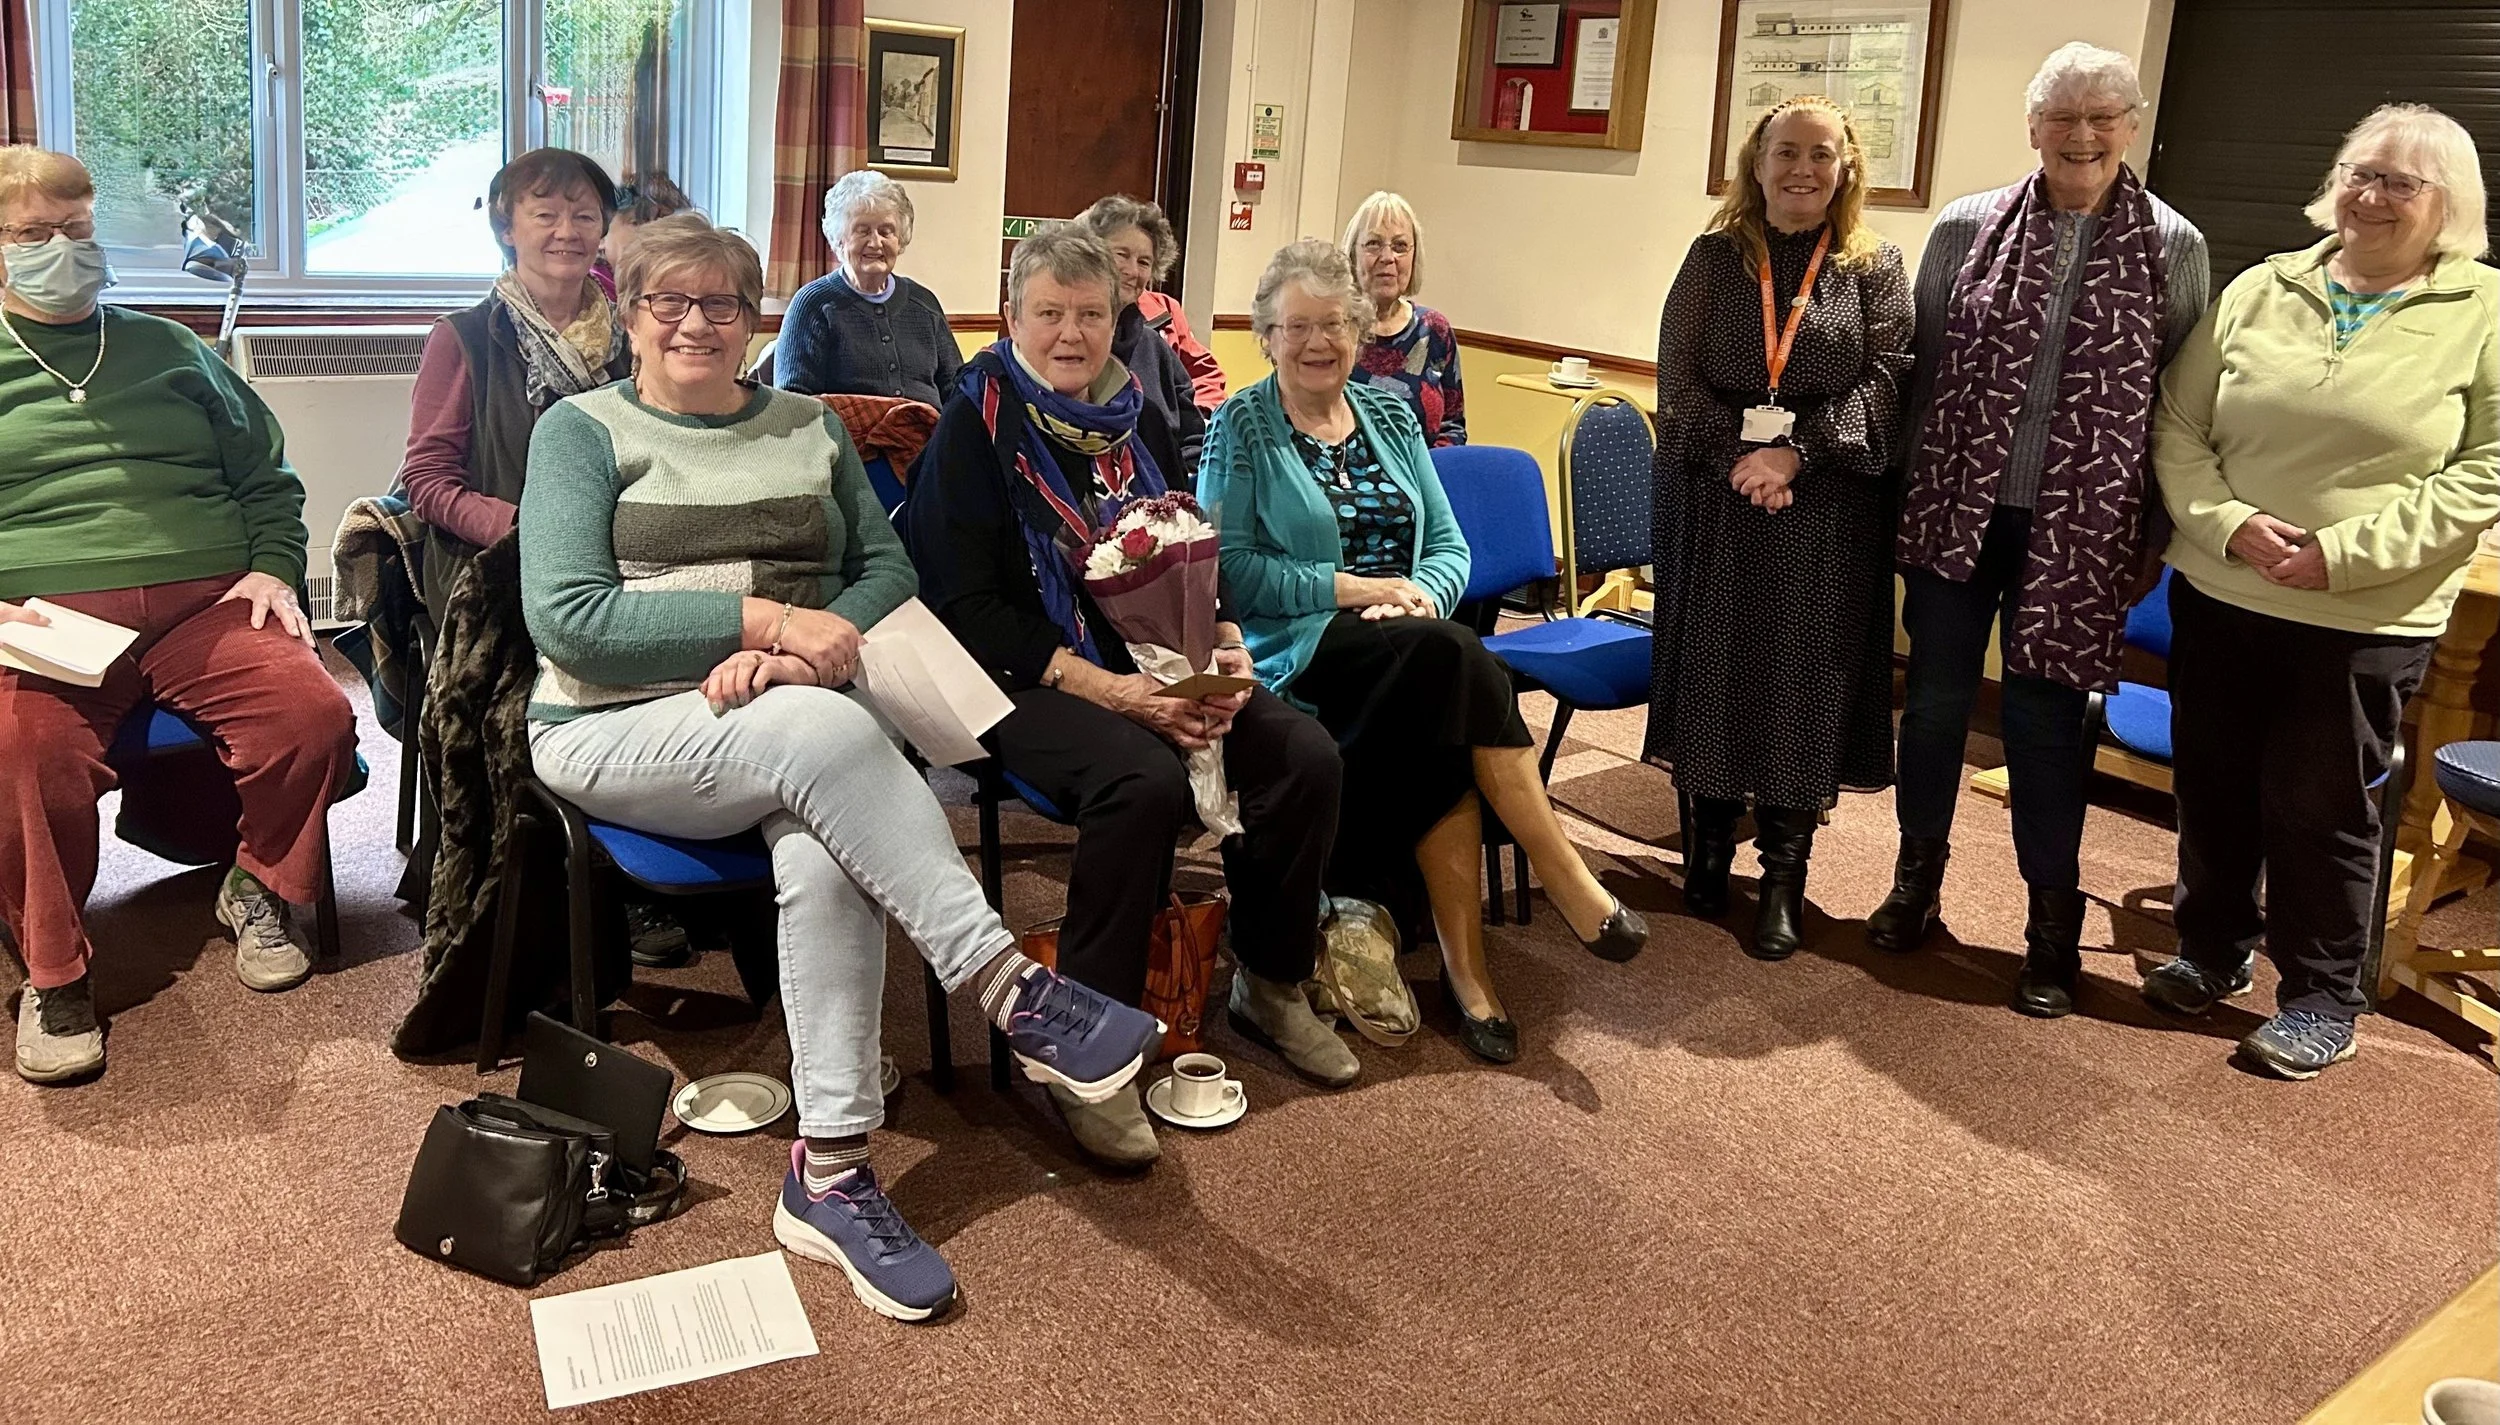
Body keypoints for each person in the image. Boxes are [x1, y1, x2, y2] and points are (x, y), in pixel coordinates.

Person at [519, 214, 1163, 1317]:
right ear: (627, 316)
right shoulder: (579, 432)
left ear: (756, 317)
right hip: (611, 727)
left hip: (793, 714)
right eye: (666, 302)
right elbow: (572, 621)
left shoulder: (808, 424)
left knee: (825, 856)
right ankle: (1012, 989)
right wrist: (767, 623)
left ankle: (830, 1172)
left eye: (721, 303)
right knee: (840, 744)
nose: (695, 324)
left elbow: (886, 568)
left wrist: (802, 655)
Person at [907, 225, 1351, 1165]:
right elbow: (968, 607)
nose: (1072, 333)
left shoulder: (1136, 414)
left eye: (1093, 313)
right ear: (1012, 318)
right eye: (1050, 314)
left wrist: (1222, 646)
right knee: (1141, 782)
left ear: (1120, 317)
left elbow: (1184, 543)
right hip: (1019, 677)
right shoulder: (975, 425)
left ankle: (1270, 981)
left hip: (1158, 660)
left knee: (1302, 755)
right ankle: (1089, 1052)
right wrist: (1115, 692)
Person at [1201, 238, 1646, 1066]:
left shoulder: (1392, 415)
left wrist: (1422, 597)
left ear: (1358, 328)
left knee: (1445, 682)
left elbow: (1448, 547)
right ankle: (1555, 884)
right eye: (1296, 326)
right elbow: (1231, 572)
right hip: (1298, 648)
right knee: (1454, 663)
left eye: (1334, 323)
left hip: (1406, 643)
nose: (1316, 342)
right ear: (1265, 335)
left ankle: (1471, 974)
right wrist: (1360, 590)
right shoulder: (1242, 425)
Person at [2145, 103, 2498, 1080]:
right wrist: (2225, 525)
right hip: (2223, 588)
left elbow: (2485, 469)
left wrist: (2340, 553)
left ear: (2447, 205)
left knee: (2321, 807)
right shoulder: (2265, 285)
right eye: (2358, 172)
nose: (2370, 196)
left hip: (2361, 612)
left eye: (2399, 182)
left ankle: (2318, 996)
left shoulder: (2483, 312)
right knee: (2211, 788)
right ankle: (2211, 950)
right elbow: (2177, 423)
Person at [0, 146, 356, 1084]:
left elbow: (266, 478)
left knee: (312, 714)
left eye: (75, 231)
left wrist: (277, 568)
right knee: (25, 754)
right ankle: (55, 970)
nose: (60, 250)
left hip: (208, 602)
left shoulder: (170, 348)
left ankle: (261, 885)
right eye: (32, 235)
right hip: (44, 620)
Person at [1881, 43, 2210, 1017]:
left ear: (2130, 125)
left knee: (2042, 722)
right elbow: (1923, 368)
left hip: (2084, 529)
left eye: (2102, 115)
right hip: (1956, 510)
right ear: (2031, 127)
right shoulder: (1963, 227)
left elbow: (2180, 401)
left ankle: (2048, 927)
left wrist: (2152, 533)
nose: (2081, 134)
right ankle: (1914, 882)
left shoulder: (2173, 246)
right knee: (1936, 707)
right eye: (2062, 116)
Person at [1645, 96, 1913, 962]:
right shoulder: (1714, 258)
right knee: (1718, 663)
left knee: (1801, 679)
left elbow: (1888, 380)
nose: (1802, 169)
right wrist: (1739, 459)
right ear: (1756, 165)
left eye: (1821, 155)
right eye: (1786, 153)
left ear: (1846, 170)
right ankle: (1709, 847)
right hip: (1719, 498)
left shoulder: (1874, 269)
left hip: (1826, 507)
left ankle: (1785, 876)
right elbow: (1678, 376)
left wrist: (1796, 456)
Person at [398, 148, 631, 615]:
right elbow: (426, 481)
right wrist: (527, 528)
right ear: (507, 230)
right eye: (546, 215)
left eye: (585, 216)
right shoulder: (463, 337)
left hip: (616, 551)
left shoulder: (632, 335)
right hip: (493, 560)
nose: (567, 232)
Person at [777, 171, 960, 405]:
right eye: (862, 231)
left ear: (900, 239)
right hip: (845, 440)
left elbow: (956, 390)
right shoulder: (813, 304)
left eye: (886, 231)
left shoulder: (924, 303)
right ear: (839, 239)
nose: (875, 243)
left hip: (928, 439)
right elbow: (792, 402)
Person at [1076, 193, 1208, 481]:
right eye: (1121, 255)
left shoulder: (1154, 346)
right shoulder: (1065, 343)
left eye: (1144, 261)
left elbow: (1193, 437)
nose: (1132, 271)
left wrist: (1179, 493)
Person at [1342, 191, 1465, 447]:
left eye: (1400, 246)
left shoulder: (1434, 330)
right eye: (1373, 244)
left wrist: (1427, 476)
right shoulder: (1334, 328)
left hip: (1423, 477)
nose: (1388, 258)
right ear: (1353, 255)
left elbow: (1452, 426)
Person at [592, 172, 695, 299]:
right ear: (601, 234)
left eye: (666, 224)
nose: (653, 233)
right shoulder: (587, 295)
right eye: (638, 222)